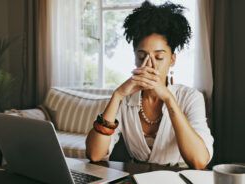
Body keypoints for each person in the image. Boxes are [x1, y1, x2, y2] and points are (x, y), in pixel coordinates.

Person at [86, 1, 214, 169]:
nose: (149, 65)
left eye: (159, 57)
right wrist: (117, 96)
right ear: (134, 58)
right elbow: (95, 154)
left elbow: (199, 161)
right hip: (138, 182)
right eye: (141, 56)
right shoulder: (125, 98)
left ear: (172, 60)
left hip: (181, 183)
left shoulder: (190, 97)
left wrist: (168, 99)